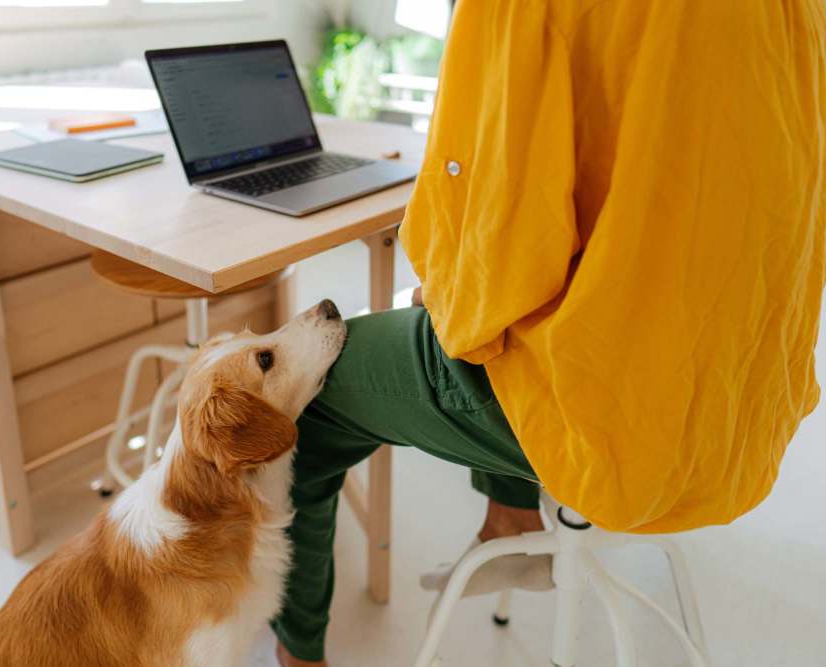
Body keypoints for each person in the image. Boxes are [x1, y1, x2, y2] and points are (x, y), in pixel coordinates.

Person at [274, 1, 826, 665]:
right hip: (739, 398)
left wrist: (448, 286)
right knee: (478, 308)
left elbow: (495, 238)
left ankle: (296, 655)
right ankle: (509, 517)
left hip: (604, 409)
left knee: (300, 401)